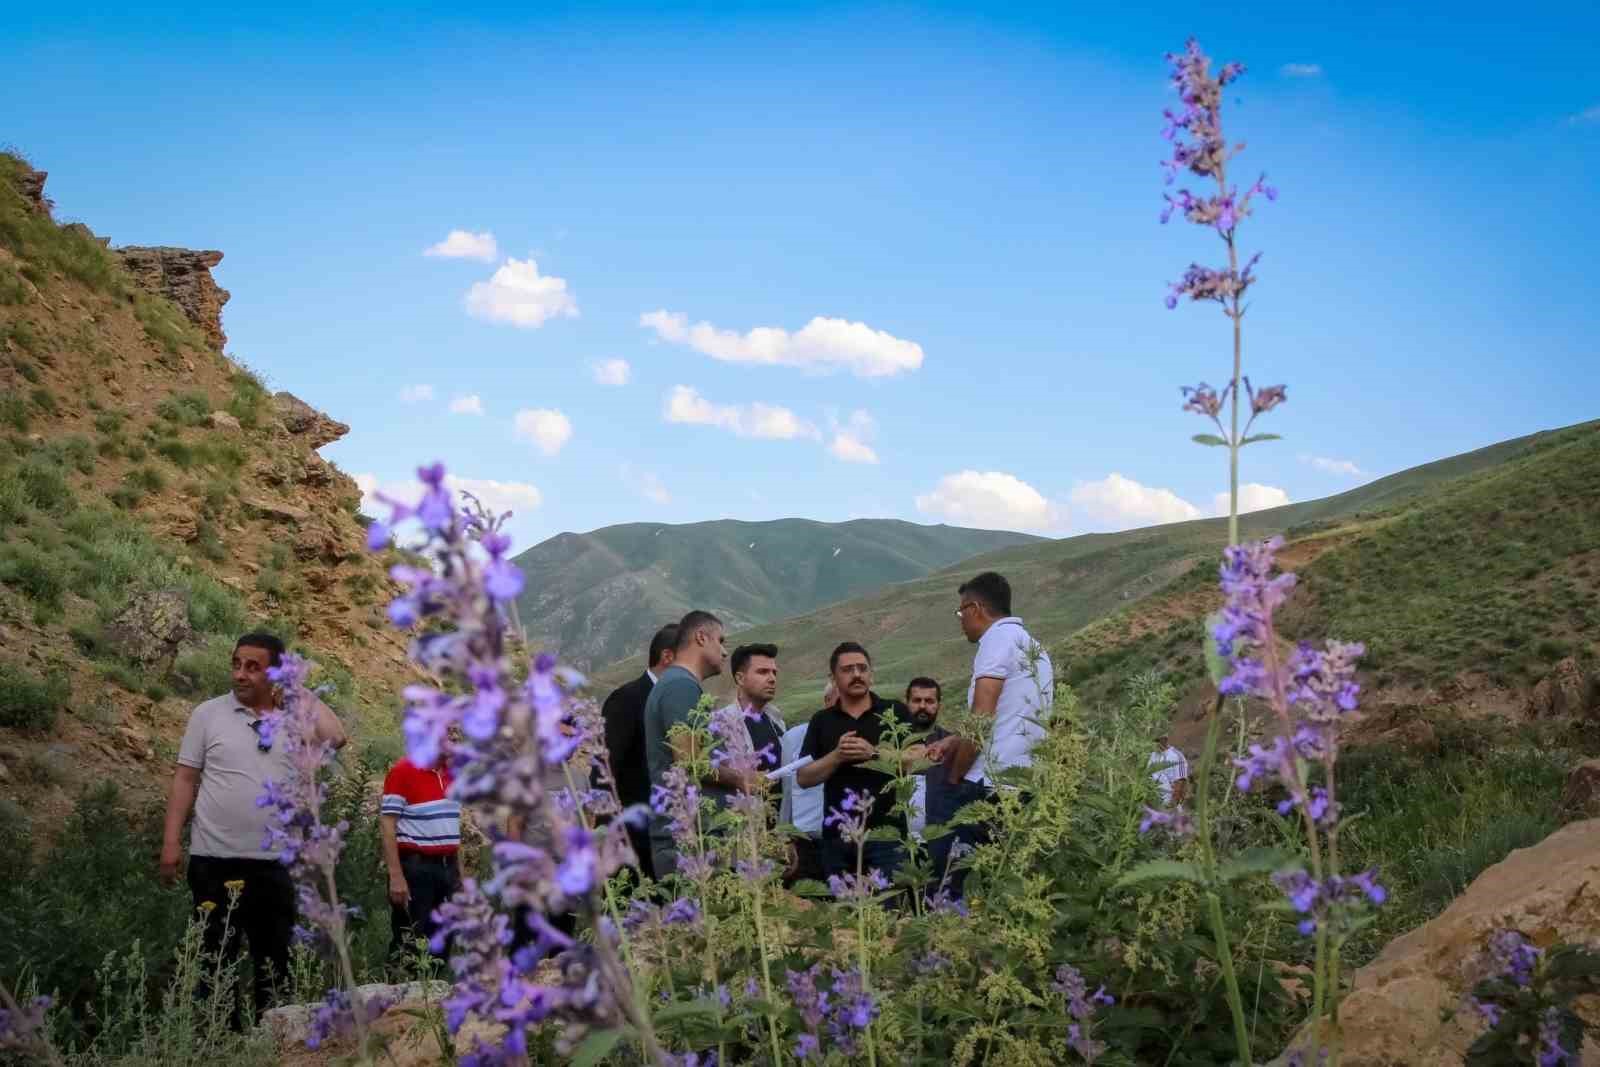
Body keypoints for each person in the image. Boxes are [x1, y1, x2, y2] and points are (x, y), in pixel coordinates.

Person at [160, 632, 348, 1020]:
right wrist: (170, 843)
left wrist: (295, 688)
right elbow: (184, 779)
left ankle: (272, 1044)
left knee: (274, 965)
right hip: (213, 861)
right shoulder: (207, 714)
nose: (240, 674)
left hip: (276, 865)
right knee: (213, 962)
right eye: (236, 664)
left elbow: (336, 737)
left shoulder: (294, 723)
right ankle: (216, 1045)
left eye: (253, 667)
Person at [926, 572, 1053, 896]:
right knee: (1003, 882)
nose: (960, 621)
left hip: (988, 784)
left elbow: (982, 717)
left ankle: (944, 937)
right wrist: (954, 739)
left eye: (960, 613)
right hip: (1024, 783)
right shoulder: (1035, 648)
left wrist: (954, 778)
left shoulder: (995, 641)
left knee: (952, 879)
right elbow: (1010, 716)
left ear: (975, 608)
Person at [796, 642, 913, 882]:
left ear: (871, 674)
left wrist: (875, 755)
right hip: (838, 841)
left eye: (862, 668)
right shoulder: (821, 720)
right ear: (834, 677)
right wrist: (837, 756)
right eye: (848, 669)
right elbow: (804, 777)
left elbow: (917, 759)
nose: (857, 674)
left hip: (887, 837)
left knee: (892, 909)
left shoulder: (895, 711)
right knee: (845, 914)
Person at [642, 610, 741, 877]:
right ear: (700, 637)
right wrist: (742, 779)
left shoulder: (678, 684)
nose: (724, 652)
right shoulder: (680, 687)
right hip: (687, 839)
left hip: (694, 834)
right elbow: (689, 761)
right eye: (720, 641)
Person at [597, 623, 678, 881]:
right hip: (632, 839)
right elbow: (605, 768)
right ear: (667, 657)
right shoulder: (627, 699)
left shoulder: (682, 703)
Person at [381, 750, 463, 960]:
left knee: (443, 941)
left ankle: (436, 990)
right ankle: (399, 991)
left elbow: (451, 827)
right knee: (409, 941)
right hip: (416, 869)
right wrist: (396, 876)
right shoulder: (403, 771)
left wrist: (459, 877)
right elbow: (388, 824)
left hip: (448, 867)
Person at [720, 643, 785, 778]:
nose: (772, 679)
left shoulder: (777, 721)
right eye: (763, 672)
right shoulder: (723, 725)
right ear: (740, 678)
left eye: (774, 672)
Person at [901, 677, 950, 841]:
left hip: (938, 838)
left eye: (929, 701)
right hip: (898, 843)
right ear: (907, 703)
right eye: (916, 700)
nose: (922, 706)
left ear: (939, 706)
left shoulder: (950, 744)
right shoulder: (892, 741)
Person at [1149, 733, 1189, 805]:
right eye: (1154, 741)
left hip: (1168, 803)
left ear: (1165, 739)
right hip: (1153, 802)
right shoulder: (1152, 756)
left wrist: (1172, 804)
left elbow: (1180, 783)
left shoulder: (1177, 756)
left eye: (1157, 740)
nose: (1155, 743)